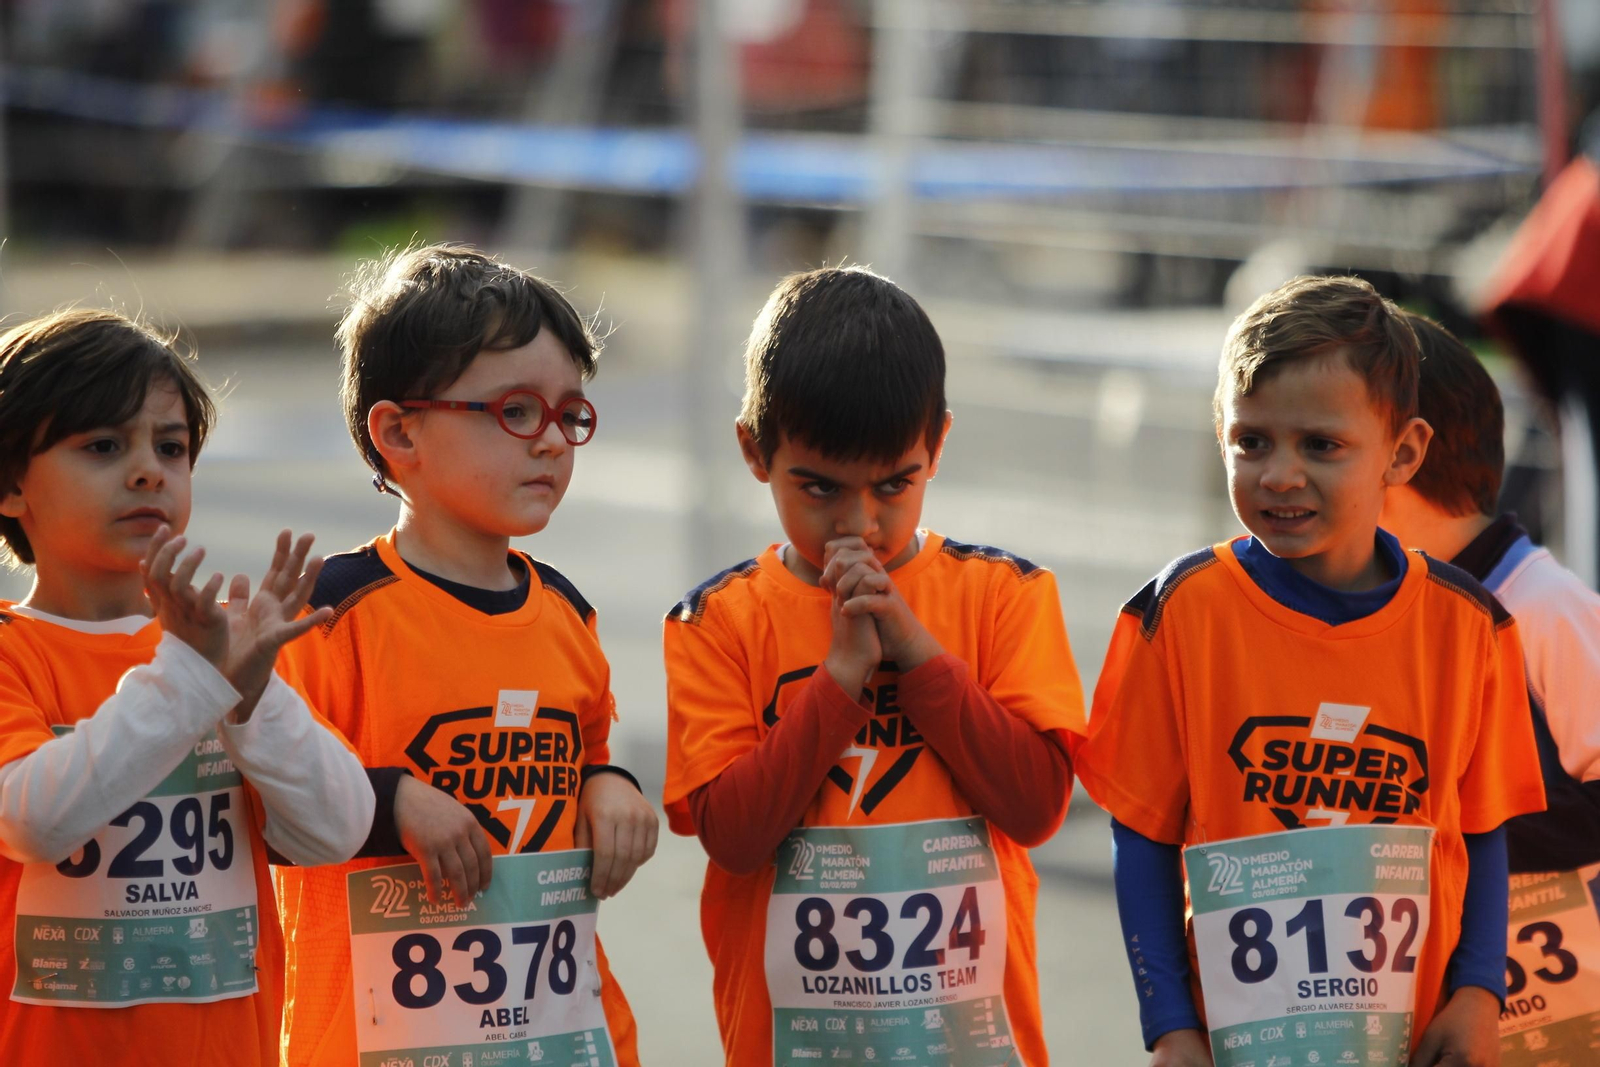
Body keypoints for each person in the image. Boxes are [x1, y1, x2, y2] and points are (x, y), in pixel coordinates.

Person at [1079, 275, 1547, 1067]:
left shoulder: (1472, 626)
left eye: (1321, 445)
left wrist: (1477, 992)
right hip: (1234, 1045)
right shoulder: (1178, 611)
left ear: (1403, 451)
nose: (1279, 474)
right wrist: (1169, 1023)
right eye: (1251, 441)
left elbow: (1485, 830)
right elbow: (1143, 833)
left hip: (1410, 1040)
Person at [663, 265, 1085, 1066]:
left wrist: (918, 653)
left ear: (939, 445)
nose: (859, 523)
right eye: (819, 488)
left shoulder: (1005, 594)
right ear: (754, 450)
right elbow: (736, 838)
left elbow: (1036, 808)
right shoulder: (717, 620)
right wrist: (839, 679)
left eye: (894, 484)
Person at [273, 244, 655, 1067]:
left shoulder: (567, 611)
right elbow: (267, 802)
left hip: (559, 1038)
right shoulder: (329, 609)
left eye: (570, 415)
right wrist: (390, 803)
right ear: (399, 431)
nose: (552, 442)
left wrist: (610, 783)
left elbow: (583, 751)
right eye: (517, 410)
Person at [0, 308, 373, 1064]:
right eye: (103, 446)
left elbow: (337, 829)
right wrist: (193, 677)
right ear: (10, 485)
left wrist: (252, 696)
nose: (149, 471)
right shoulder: (19, 650)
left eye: (170, 447)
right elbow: (33, 820)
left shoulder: (223, 648)